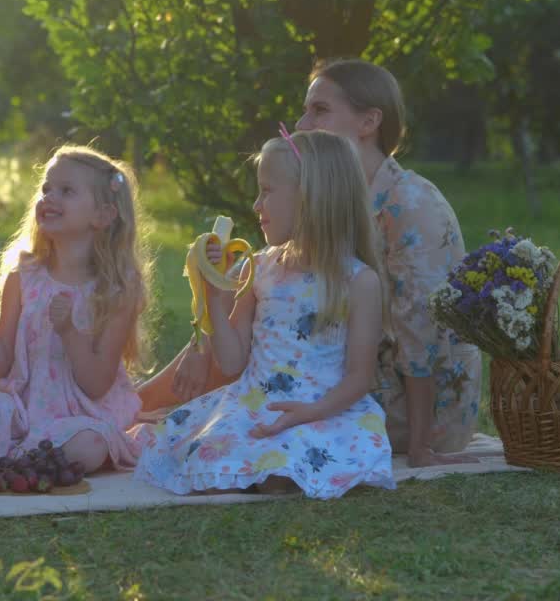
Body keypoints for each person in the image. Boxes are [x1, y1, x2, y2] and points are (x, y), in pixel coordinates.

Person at [139, 59, 481, 467]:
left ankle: (129, 408)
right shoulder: (325, 200)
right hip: (330, 376)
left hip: (408, 405)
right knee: (248, 284)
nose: (302, 122)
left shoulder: (410, 205)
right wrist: (203, 337)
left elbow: (421, 338)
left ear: (369, 121)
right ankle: (132, 406)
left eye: (319, 110)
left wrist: (422, 449)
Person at [132, 130, 395, 498]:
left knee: (288, 466)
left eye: (267, 191)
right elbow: (231, 361)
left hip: (323, 410)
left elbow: (358, 377)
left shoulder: (358, 281)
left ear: (312, 197)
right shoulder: (258, 269)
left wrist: (309, 411)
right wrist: (215, 298)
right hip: (255, 403)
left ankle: (272, 470)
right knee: (206, 461)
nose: (256, 205)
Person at [0, 145, 152, 474]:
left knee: (90, 446)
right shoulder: (25, 275)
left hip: (79, 416)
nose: (49, 197)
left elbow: (97, 385)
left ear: (103, 215)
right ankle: (27, 459)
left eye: (66, 191)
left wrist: (70, 332)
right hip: (21, 406)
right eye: (46, 188)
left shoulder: (116, 289)